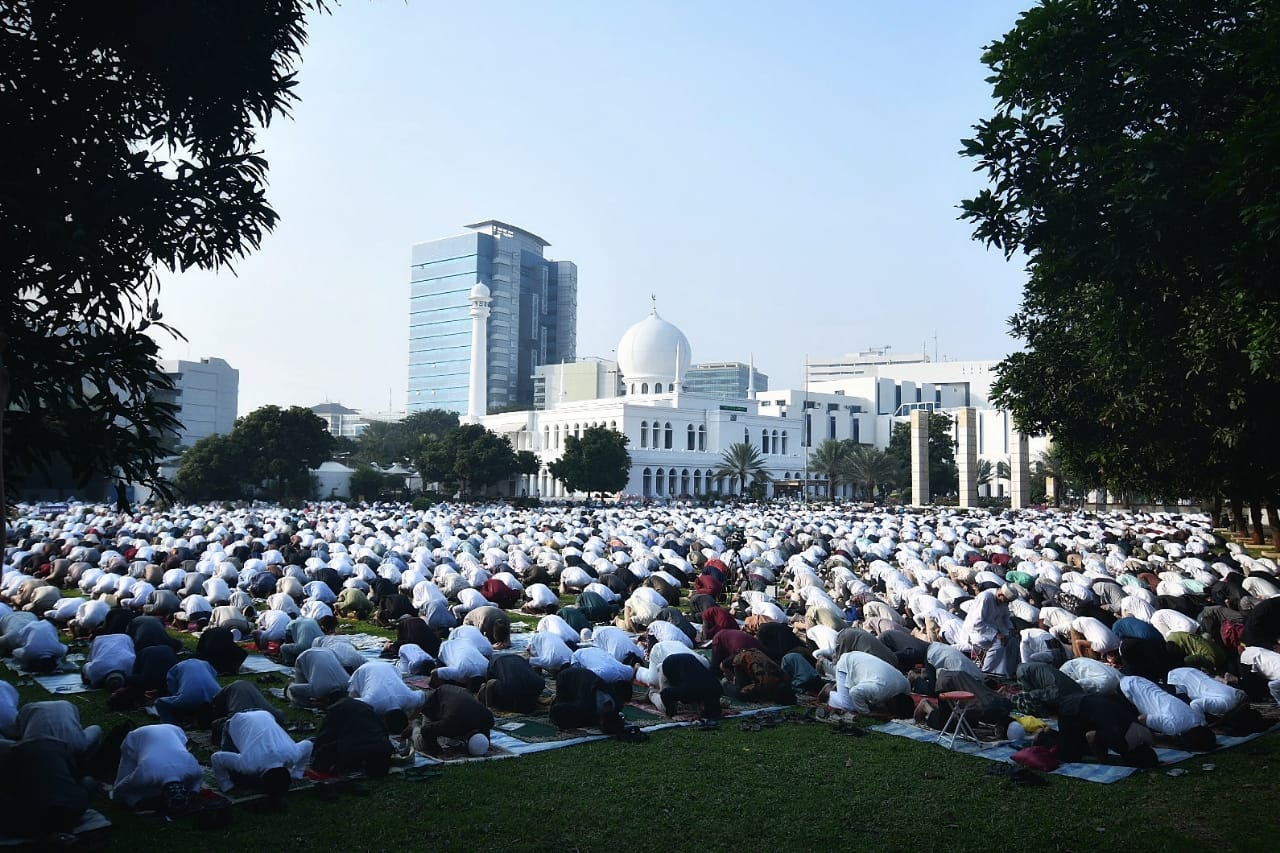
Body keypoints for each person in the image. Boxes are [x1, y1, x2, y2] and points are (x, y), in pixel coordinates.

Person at [210, 709, 312, 794]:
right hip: (237, 719)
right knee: (237, 778)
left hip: (264, 714)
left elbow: (308, 744)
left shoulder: (293, 755)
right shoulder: (248, 765)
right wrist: (227, 786)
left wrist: (297, 774)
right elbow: (216, 758)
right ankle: (219, 724)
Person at [1043, 693, 1158, 768]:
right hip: (1073, 708)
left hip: (1090, 700)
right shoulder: (1122, 744)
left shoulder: (1145, 735)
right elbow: (1090, 736)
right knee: (1069, 756)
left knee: (1083, 747)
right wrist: (1103, 761)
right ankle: (1046, 735)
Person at [111, 724, 204, 811]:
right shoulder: (145, 775)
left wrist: (194, 791)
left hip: (173, 730)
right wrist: (116, 799)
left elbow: (199, 777)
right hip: (136, 737)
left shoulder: (193, 770)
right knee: (124, 789)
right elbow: (122, 787)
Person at [311, 698, 394, 777]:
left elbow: (323, 736)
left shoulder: (336, 709)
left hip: (353, 749)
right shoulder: (367, 707)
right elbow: (383, 730)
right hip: (382, 749)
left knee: (323, 757)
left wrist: (315, 754)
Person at [411, 684, 495, 757]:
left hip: (455, 698)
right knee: (422, 745)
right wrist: (439, 752)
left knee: (448, 739)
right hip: (435, 702)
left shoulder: (487, 719)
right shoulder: (450, 724)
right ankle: (414, 725)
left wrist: (486, 743)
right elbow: (426, 730)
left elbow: (486, 731)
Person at [826, 651, 912, 717]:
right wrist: (867, 713)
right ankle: (828, 691)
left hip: (858, 660)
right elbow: (855, 692)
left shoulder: (905, 686)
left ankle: (841, 687)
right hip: (846, 665)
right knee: (849, 706)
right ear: (893, 703)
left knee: (868, 701)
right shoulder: (879, 691)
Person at [15, 701, 102, 757]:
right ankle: (88, 761)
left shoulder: (27, 708)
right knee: (96, 728)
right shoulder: (68, 704)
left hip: (38, 750)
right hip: (73, 746)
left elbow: (19, 732)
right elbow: (77, 725)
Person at [1166, 666, 1246, 720]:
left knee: (1195, 704)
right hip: (1235, 693)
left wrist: (1202, 724)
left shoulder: (1175, 677)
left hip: (1227, 702)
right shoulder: (1188, 672)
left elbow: (1194, 704)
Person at [348, 660, 426, 715]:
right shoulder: (372, 703)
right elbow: (350, 703)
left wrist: (412, 719)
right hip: (365, 669)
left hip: (389, 667)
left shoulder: (409, 698)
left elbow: (423, 697)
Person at [477, 654, 544, 713]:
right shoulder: (538, 683)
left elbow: (490, 683)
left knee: (485, 690)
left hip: (513, 662)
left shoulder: (506, 687)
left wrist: (489, 706)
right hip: (536, 682)